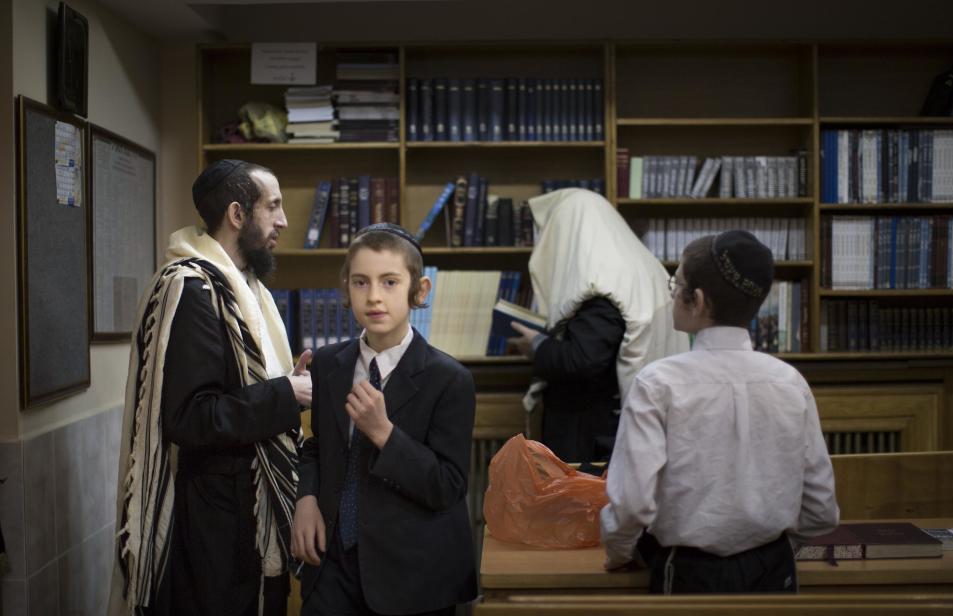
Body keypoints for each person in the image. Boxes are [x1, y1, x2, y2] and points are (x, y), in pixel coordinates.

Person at [109, 159, 313, 615]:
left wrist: (286, 384)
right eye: (273, 207)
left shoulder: (247, 286)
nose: (283, 220)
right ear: (237, 214)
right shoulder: (191, 289)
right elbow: (191, 417)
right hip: (215, 525)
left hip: (248, 514)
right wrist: (289, 394)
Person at [601, 230, 840, 594]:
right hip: (775, 569)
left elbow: (632, 505)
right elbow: (821, 507)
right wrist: (777, 547)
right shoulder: (789, 382)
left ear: (695, 300)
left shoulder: (657, 383)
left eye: (674, 283)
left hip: (688, 573)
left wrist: (618, 552)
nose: (672, 293)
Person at [292, 223, 478, 616]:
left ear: (419, 290)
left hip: (412, 575)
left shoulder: (450, 379)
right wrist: (306, 500)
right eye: (361, 283)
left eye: (390, 282)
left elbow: (448, 486)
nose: (374, 297)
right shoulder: (328, 364)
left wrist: (384, 433)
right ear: (345, 288)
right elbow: (318, 447)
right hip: (333, 567)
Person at [508, 188, 689, 463]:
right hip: (629, 426)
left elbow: (583, 361)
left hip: (595, 440)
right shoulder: (636, 267)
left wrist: (536, 346)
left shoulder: (602, 282)